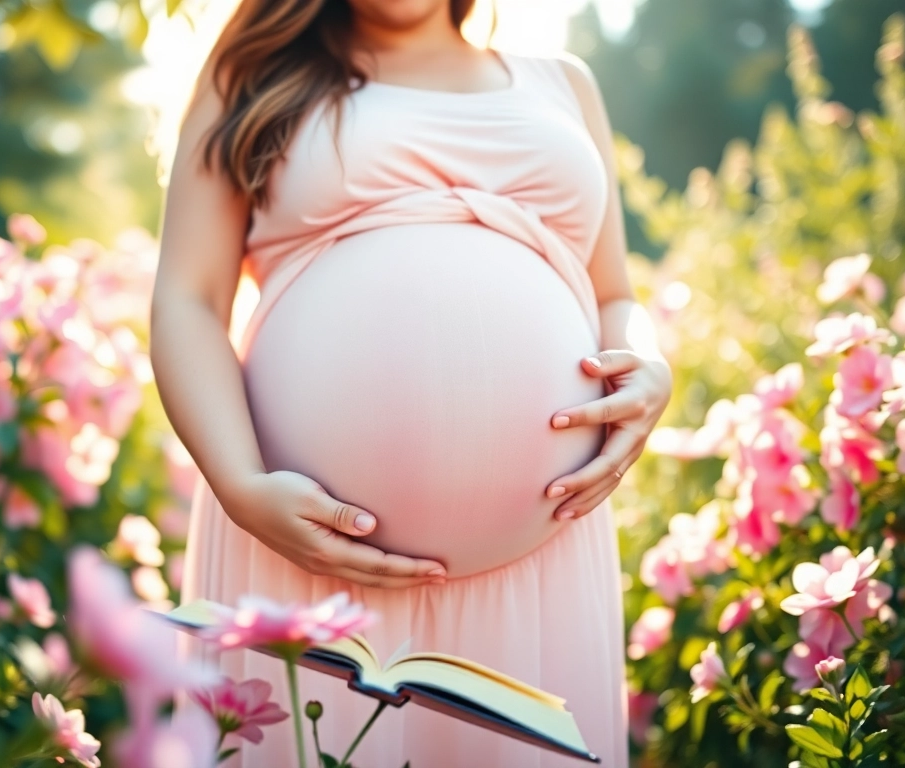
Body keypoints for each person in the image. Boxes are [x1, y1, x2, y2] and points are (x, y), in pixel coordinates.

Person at [150, 0, 672, 765]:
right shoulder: (252, 78)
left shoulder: (563, 85)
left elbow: (615, 295)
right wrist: (240, 484)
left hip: (540, 564)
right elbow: (187, 300)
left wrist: (647, 364)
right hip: (303, 552)